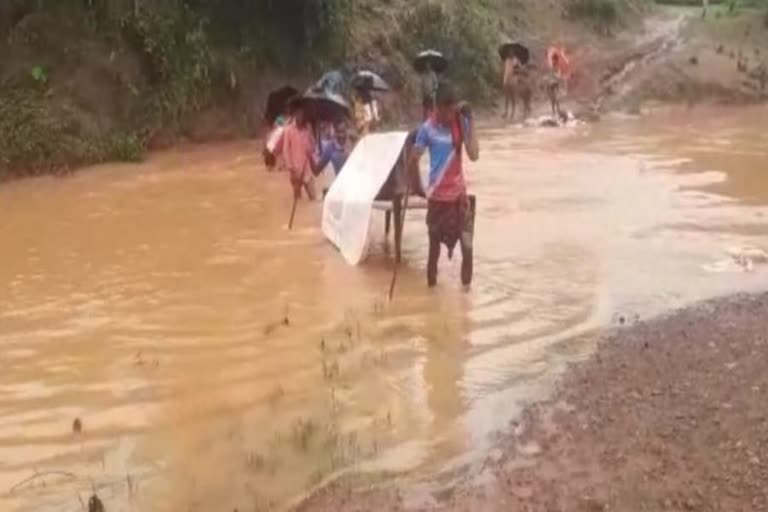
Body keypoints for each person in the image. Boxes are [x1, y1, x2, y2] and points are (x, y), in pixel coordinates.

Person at [409, 82, 479, 288]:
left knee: (467, 246)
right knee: (433, 251)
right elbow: (414, 159)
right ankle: (431, 288)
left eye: (452, 110)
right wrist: (418, 188)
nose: (449, 116)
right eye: (446, 111)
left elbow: (474, 155)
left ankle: (466, 295)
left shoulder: (460, 122)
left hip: (458, 198)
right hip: (438, 199)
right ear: (437, 108)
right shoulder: (427, 129)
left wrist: (471, 120)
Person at [281, 98, 317, 200]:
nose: (301, 116)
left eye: (302, 114)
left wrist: (310, 136)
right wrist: (291, 168)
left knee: (313, 197)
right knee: (298, 200)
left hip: (307, 169)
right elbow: (286, 151)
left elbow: (312, 149)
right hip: (295, 170)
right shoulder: (288, 130)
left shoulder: (307, 129)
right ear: (295, 115)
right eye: (298, 114)